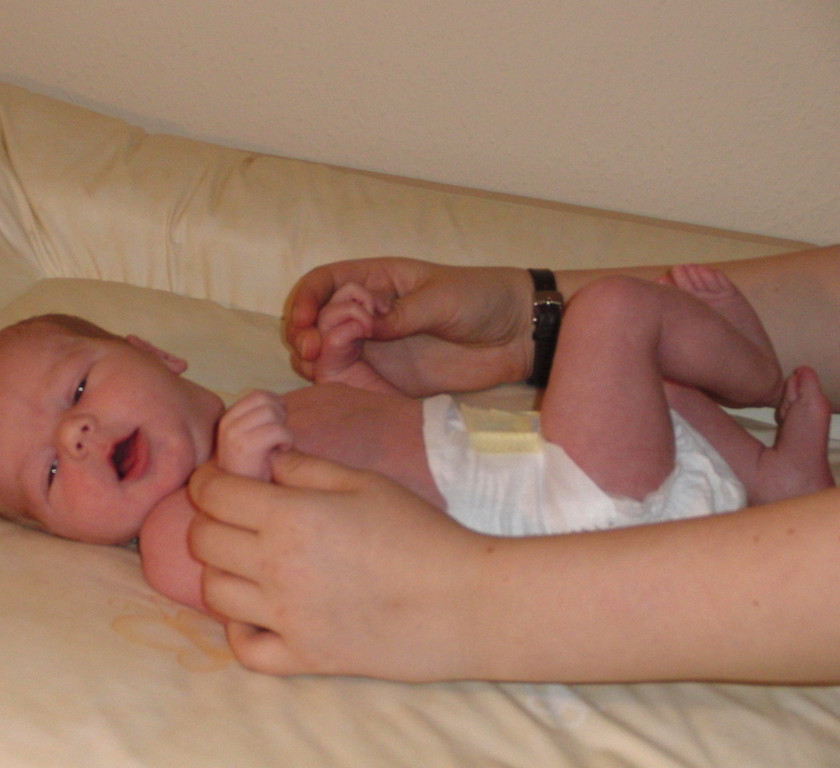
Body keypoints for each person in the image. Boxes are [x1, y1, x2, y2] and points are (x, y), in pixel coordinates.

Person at [188, 244, 840, 684]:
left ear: (156, 354)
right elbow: (250, 583)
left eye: (83, 387)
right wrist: (242, 478)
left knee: (645, 384)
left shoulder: (284, 409)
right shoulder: (192, 502)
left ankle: (771, 478)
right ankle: (758, 373)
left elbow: (402, 439)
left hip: (567, 487)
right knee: (614, 311)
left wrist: (343, 369)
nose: (80, 434)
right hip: (568, 524)